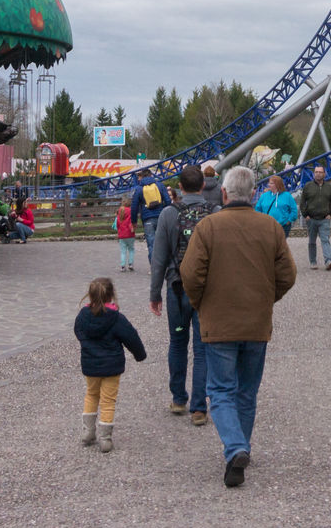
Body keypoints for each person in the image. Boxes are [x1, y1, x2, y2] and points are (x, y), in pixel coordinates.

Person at [181, 166, 296, 488]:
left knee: (220, 390)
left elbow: (190, 274)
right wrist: (266, 299)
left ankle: (235, 448)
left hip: (219, 323)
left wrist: (202, 303)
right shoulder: (271, 227)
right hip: (256, 322)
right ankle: (241, 447)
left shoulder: (208, 227)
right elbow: (287, 275)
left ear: (224, 193)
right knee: (247, 391)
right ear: (254, 194)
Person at [149, 165, 214, 423]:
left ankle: (178, 399)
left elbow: (159, 258)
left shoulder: (168, 214)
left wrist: (155, 293)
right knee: (202, 348)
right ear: (202, 186)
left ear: (179, 186)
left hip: (176, 288)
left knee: (177, 343)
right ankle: (199, 407)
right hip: (206, 291)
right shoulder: (214, 213)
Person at [73, 276, 146, 453]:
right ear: (111, 295)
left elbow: (78, 332)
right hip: (112, 366)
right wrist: (140, 354)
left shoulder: (82, 316)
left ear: (90, 296)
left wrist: (88, 346)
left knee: (91, 395)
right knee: (108, 401)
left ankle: (88, 431)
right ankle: (105, 438)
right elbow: (131, 337)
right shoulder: (116, 318)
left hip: (90, 365)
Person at [299, 164, 331, 270]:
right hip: (311, 219)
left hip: (324, 219)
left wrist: (330, 213)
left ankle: (328, 261)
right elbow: (302, 202)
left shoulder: (329, 187)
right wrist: (305, 215)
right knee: (312, 241)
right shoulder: (308, 186)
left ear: (324, 174)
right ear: (313, 174)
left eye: (320, 172)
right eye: (316, 172)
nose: (318, 174)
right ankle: (313, 262)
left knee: (325, 240)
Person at [127, 175, 173, 255]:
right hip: (161, 217)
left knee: (151, 245)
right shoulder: (160, 185)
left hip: (147, 219)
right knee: (164, 243)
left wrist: (134, 222)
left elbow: (134, 206)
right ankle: (164, 262)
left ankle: (153, 262)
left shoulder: (139, 189)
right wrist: (164, 211)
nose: (138, 179)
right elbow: (168, 201)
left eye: (139, 177)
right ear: (151, 176)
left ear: (142, 177)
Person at [115, 200, 137, 271]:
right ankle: (130, 264)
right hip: (130, 234)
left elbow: (117, 225)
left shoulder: (120, 212)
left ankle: (123, 266)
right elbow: (133, 221)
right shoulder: (131, 211)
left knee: (123, 251)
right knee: (131, 250)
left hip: (122, 235)